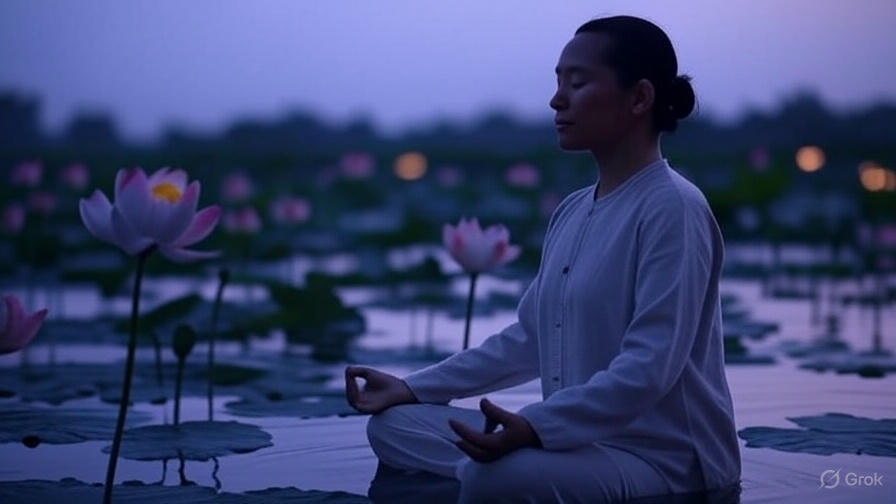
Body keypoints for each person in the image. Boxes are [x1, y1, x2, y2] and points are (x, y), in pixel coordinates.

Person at [345, 15, 742, 503]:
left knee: (491, 478)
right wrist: (412, 388)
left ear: (639, 98)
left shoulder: (674, 207)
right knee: (393, 427)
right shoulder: (573, 210)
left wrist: (533, 427)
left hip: (663, 461)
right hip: (570, 444)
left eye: (577, 83)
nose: (557, 100)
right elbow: (529, 339)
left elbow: (649, 368)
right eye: (558, 83)